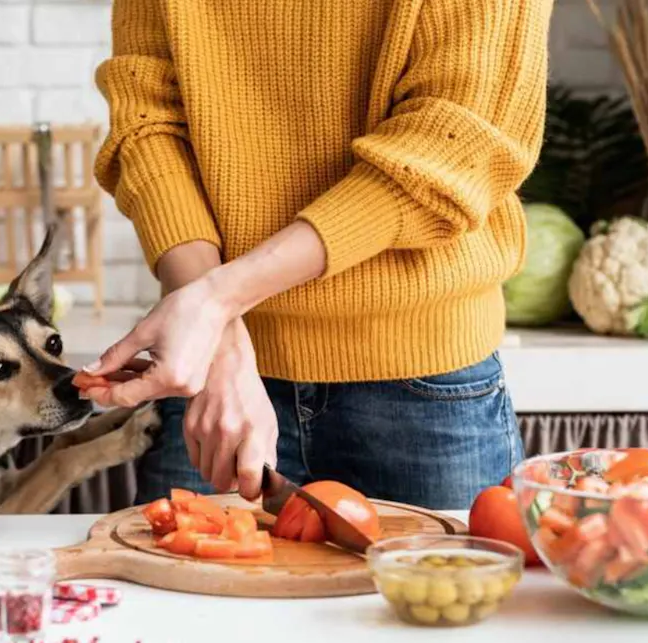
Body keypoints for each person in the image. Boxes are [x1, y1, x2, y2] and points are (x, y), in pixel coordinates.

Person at [84, 0, 551, 510]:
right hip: (213, 376)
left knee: (438, 592)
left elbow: (453, 143)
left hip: (422, 384)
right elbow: (147, 123)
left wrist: (215, 305)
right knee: (179, 588)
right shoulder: (215, 343)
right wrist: (219, 339)